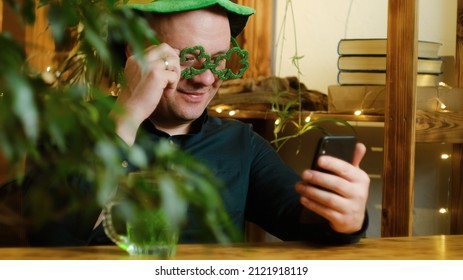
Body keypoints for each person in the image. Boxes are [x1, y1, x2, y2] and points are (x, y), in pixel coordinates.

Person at [20, 0, 369, 246]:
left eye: (219, 61)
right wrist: (127, 117)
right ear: (135, 52)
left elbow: (305, 223)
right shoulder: (65, 128)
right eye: (187, 58)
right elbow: (49, 236)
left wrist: (346, 217)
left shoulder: (242, 144)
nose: (205, 78)